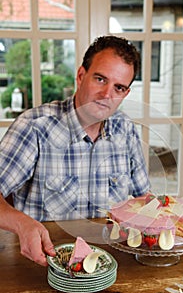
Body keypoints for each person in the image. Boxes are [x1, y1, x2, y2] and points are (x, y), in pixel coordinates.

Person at [0, 35, 151, 266]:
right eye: (100, 79)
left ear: (125, 94)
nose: (107, 95)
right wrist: (22, 223)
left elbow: (143, 199)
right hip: (42, 268)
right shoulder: (34, 126)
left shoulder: (126, 130)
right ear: (81, 76)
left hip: (108, 267)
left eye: (118, 87)